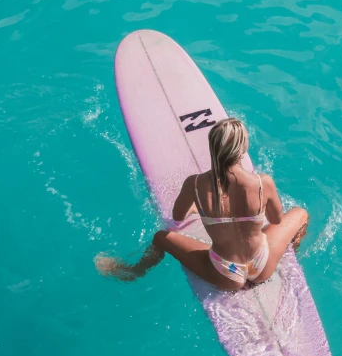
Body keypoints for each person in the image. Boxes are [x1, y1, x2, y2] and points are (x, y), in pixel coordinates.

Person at [95, 118, 309, 292]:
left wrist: (203, 209)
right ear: (243, 148)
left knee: (160, 238)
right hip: (262, 265)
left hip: (226, 272)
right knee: (300, 214)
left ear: (213, 148)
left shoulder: (195, 185)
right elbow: (276, 220)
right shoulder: (263, 183)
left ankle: (133, 272)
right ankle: (289, 258)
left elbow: (178, 217)